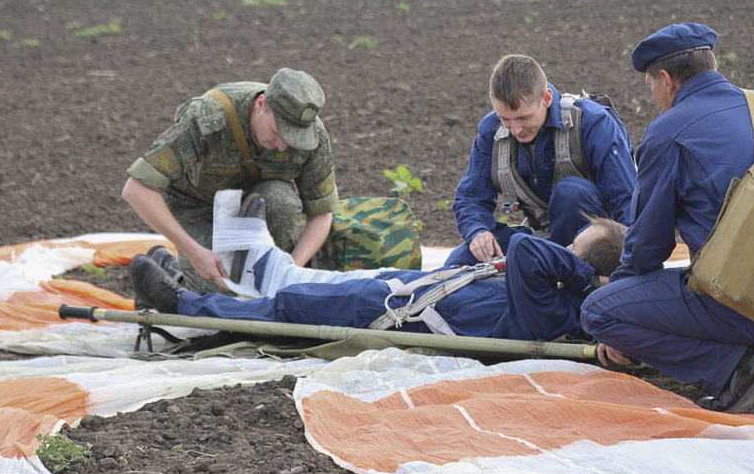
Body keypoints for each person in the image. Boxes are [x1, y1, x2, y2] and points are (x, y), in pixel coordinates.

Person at [580, 23, 754, 413]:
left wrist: (618, 303)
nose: (654, 97)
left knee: (598, 311)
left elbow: (647, 247)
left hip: (752, 307)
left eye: (650, 86)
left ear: (666, 80)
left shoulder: (669, 131)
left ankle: (740, 366)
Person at [128, 216, 626, 342]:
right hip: (404, 291)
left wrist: (586, 282)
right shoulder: (552, 298)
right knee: (296, 292)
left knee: (288, 308)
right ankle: (197, 298)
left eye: (574, 249)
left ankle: (182, 307)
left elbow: (527, 249)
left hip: (392, 313)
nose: (564, 251)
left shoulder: (554, 308)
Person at [123, 69, 339, 294]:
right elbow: (137, 189)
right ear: (260, 104)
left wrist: (289, 270)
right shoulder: (207, 117)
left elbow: (321, 214)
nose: (284, 145)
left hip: (260, 203)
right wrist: (195, 253)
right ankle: (172, 269)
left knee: (281, 206)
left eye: (294, 138)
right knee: (219, 292)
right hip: (197, 207)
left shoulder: (313, 136)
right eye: (278, 132)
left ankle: (263, 278)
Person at [448, 54, 637, 266]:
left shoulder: (592, 122)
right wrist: (478, 231)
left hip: (591, 242)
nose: (516, 129)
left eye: (523, 117)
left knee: (570, 194)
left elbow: (627, 200)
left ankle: (568, 281)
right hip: (538, 235)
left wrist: (631, 261)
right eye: (506, 119)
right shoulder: (491, 130)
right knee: (462, 259)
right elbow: (471, 199)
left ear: (546, 98)